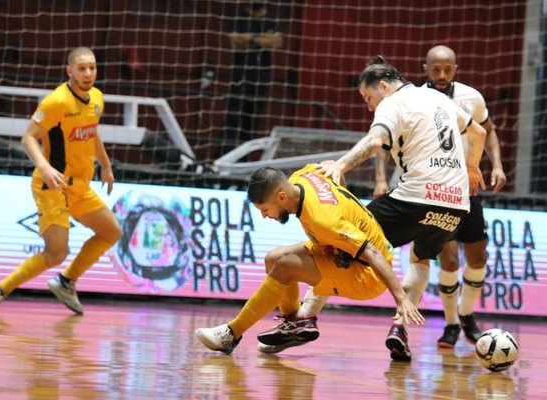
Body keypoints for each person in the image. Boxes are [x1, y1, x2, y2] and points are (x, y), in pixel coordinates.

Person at [254, 56, 488, 361]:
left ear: (382, 86)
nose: (369, 106)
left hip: (416, 197)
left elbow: (375, 140)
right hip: (457, 206)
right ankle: (400, 328)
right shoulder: (436, 97)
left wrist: (340, 164)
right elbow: (479, 133)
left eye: (368, 98)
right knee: (421, 257)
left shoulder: (392, 102)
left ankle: (303, 319)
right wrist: (472, 168)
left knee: (341, 238)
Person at [194, 164, 425, 355]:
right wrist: (339, 168)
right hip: (334, 247)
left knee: (285, 266)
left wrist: (401, 298)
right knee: (273, 258)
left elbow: (373, 253)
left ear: (281, 197)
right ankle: (294, 322)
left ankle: (230, 334)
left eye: (265, 209)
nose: (265, 216)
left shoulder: (324, 221)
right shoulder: (303, 175)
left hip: (366, 274)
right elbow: (335, 174)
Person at [0, 47, 121, 315]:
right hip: (53, 185)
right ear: (69, 71)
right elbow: (28, 137)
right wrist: (44, 167)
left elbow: (92, 131)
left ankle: (66, 281)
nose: (88, 73)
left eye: (92, 67)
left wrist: (106, 164)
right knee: (56, 252)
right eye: (81, 68)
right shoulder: (56, 102)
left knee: (111, 231)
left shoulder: (97, 98)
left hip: (80, 186)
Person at [420, 45, 506, 347]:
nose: (441, 74)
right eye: (435, 69)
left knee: (478, 255)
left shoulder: (472, 97)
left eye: (447, 69)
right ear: (425, 68)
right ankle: (451, 324)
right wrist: (381, 178)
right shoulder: (416, 98)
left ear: (455, 69)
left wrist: (496, 165)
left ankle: (467, 315)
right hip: (436, 191)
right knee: (449, 259)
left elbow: (489, 130)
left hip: (468, 187)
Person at [219, 1, 283, 158]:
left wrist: (249, 39)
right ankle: (224, 157)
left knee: (251, 123)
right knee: (232, 120)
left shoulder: (273, 18)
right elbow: (235, 41)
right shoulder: (239, 16)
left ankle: (244, 161)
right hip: (239, 77)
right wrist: (261, 39)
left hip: (261, 78)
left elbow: (276, 42)